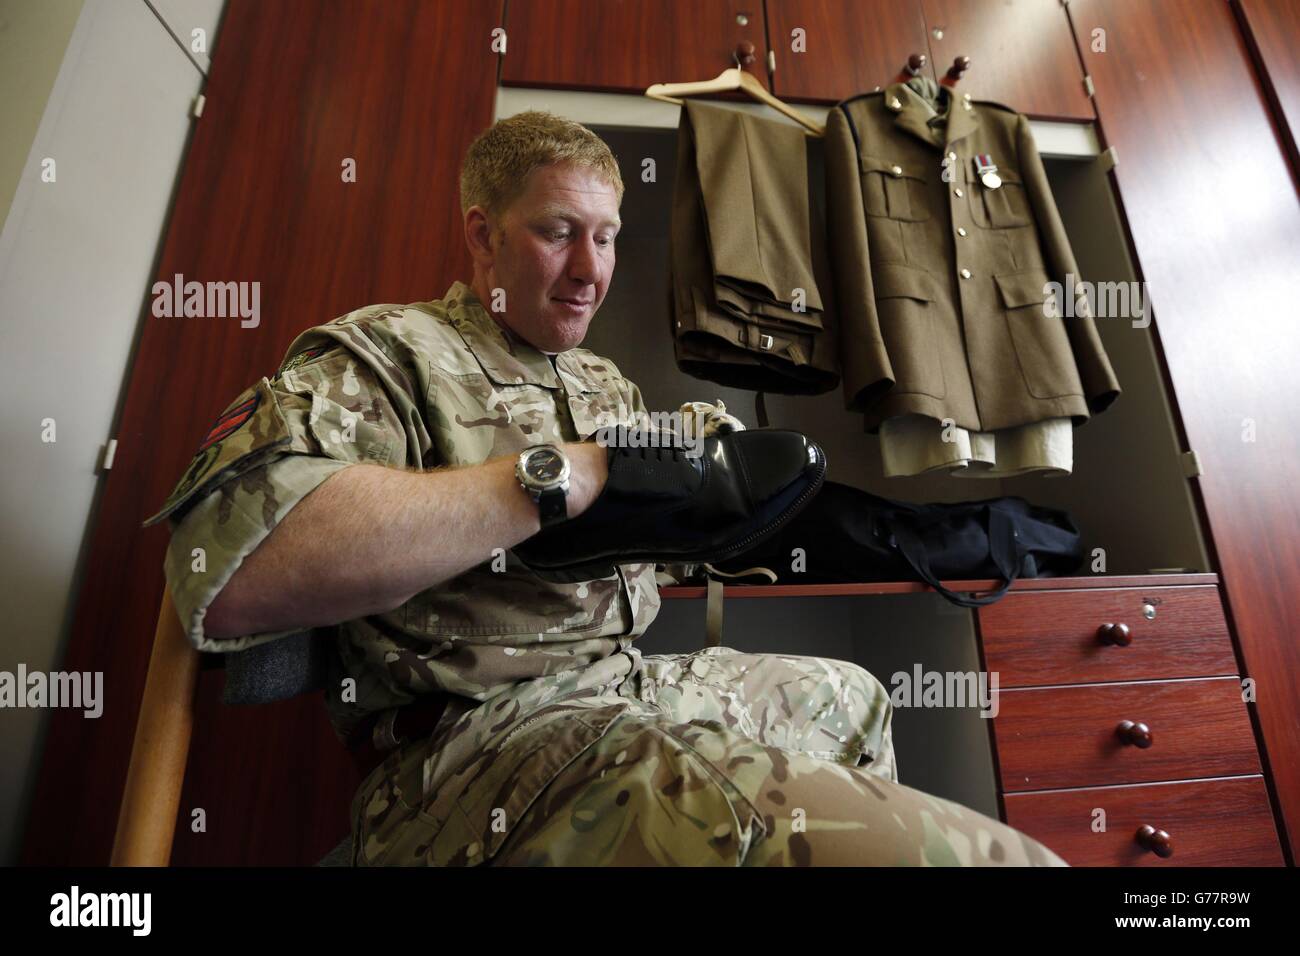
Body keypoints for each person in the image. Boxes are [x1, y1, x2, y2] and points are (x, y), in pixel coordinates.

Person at [149, 110, 1067, 867]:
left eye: (607, 237)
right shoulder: (387, 355)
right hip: (477, 747)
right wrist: (562, 475)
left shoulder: (600, 383)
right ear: (483, 234)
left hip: (622, 688)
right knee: (985, 861)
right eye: (557, 233)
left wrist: (708, 499)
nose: (591, 271)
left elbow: (639, 549)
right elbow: (232, 578)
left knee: (851, 695)